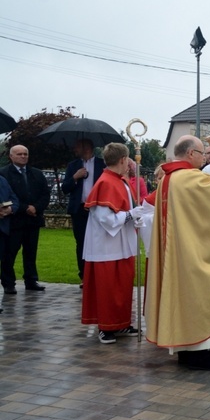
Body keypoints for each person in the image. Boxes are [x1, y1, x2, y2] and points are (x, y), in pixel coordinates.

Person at [146, 135, 210, 370]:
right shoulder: (188, 178)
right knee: (195, 297)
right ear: (191, 154)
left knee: (180, 299)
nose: (204, 158)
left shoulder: (169, 178)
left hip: (177, 250)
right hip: (189, 253)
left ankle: (187, 351)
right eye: (202, 153)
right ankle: (197, 353)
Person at [80, 143, 143, 344]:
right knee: (108, 288)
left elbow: (124, 211)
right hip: (106, 246)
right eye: (128, 160)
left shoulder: (121, 181)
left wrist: (135, 217)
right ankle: (106, 327)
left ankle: (121, 323)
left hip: (122, 244)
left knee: (123, 286)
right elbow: (105, 219)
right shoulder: (105, 183)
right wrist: (130, 215)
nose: (130, 164)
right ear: (123, 159)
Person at [0, 145, 50, 294]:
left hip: (33, 220)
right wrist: (24, 207)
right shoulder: (4, 174)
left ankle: (31, 280)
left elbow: (45, 194)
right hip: (14, 220)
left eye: (25, 154)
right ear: (11, 156)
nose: (23, 156)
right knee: (10, 253)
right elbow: (8, 197)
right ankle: (8, 283)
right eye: (19, 154)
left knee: (30, 252)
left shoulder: (37, 174)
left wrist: (36, 207)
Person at [62, 138, 105, 282]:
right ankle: (84, 276)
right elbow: (65, 188)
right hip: (79, 210)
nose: (74, 149)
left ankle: (98, 275)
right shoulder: (73, 165)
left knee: (98, 241)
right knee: (81, 243)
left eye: (77, 146)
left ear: (86, 147)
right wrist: (75, 177)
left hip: (97, 209)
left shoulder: (102, 164)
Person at [0, 176, 19, 299]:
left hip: (2, 229)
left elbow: (14, 199)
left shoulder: (2, 180)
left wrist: (9, 209)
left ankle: (8, 283)